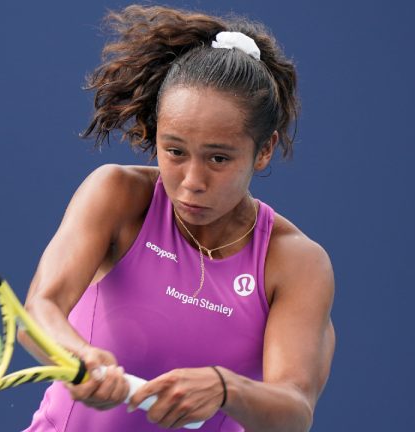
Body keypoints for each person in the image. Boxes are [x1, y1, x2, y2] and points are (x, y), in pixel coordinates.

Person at [22, 4, 335, 431]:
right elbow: (40, 310)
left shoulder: (297, 262)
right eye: (175, 151)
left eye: (218, 158)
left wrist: (227, 389)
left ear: (263, 151)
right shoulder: (117, 194)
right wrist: (78, 357)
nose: (192, 181)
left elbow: (294, 411)